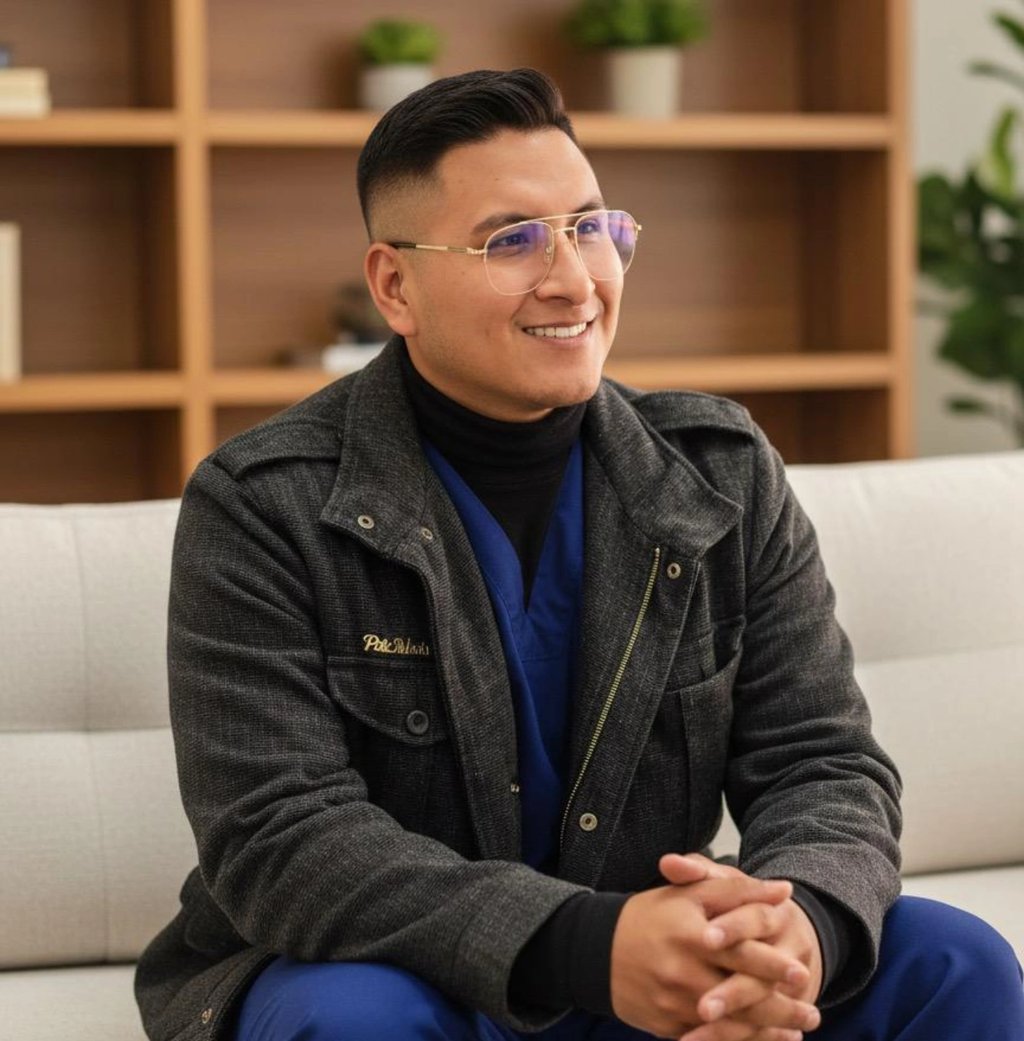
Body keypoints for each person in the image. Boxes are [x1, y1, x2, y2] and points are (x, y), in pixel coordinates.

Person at [135, 68, 1024, 1041]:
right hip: (411, 970)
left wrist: (794, 931)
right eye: (512, 241)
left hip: (646, 959)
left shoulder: (720, 473)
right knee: (351, 1021)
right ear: (394, 286)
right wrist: (585, 946)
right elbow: (279, 838)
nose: (574, 279)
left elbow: (820, 759)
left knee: (954, 963)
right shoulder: (263, 504)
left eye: (592, 228)